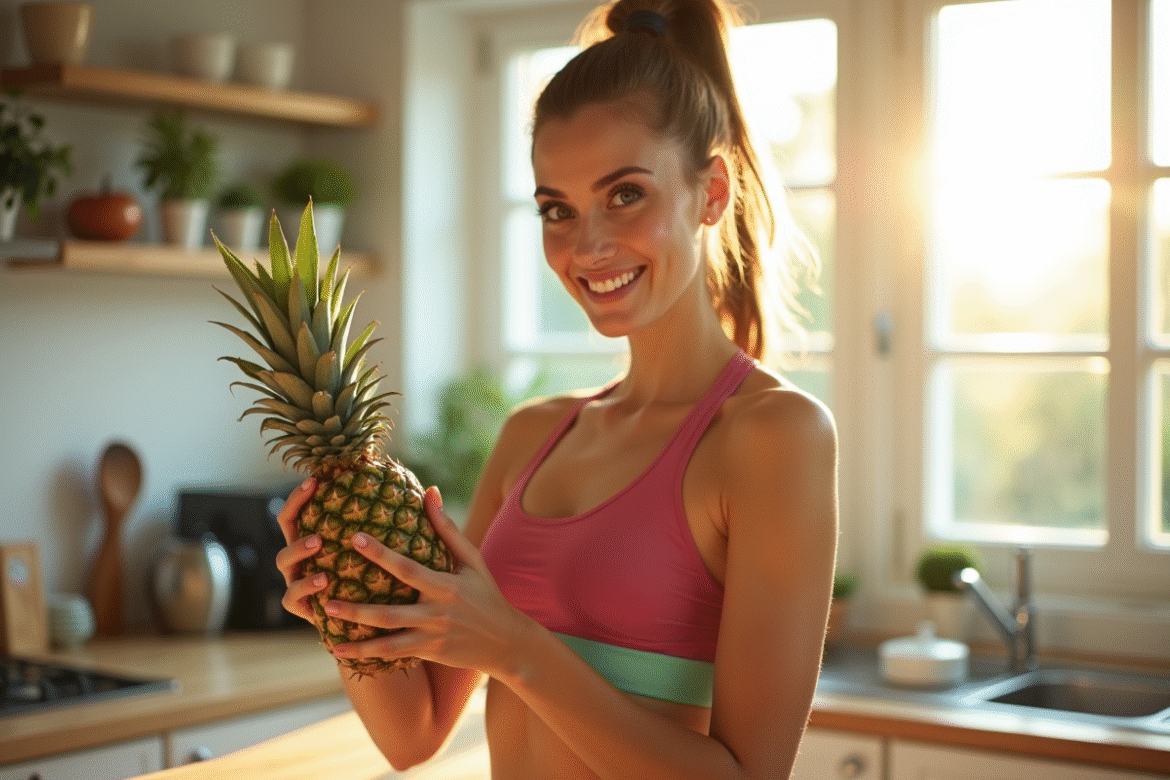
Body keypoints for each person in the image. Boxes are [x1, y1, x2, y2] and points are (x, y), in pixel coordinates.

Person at [275, 0, 838, 777]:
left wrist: (516, 649)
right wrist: (344, 614)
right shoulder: (534, 436)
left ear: (711, 194)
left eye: (626, 194)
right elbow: (414, 735)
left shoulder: (774, 436)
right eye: (556, 209)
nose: (588, 245)